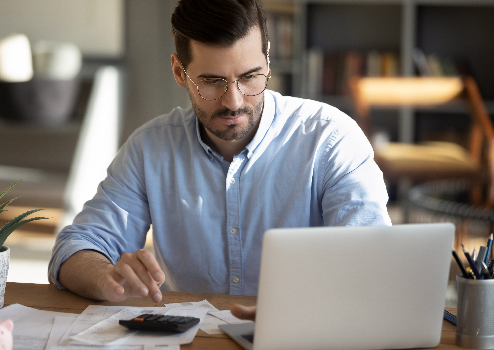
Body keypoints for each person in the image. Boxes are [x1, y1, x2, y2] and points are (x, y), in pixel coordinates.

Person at [48, 0, 391, 309]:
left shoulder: (330, 139)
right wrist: (106, 277)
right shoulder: (149, 148)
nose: (235, 101)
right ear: (180, 72)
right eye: (212, 82)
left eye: (250, 77)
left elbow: (374, 261)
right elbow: (75, 247)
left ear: (268, 59)